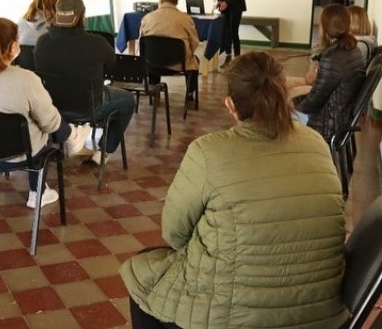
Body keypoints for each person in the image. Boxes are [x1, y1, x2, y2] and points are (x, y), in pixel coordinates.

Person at [120, 52, 347, 329]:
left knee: (141, 277)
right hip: (320, 313)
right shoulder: (317, 143)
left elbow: (174, 234)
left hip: (235, 317)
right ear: (283, 94)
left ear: (231, 105)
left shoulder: (207, 151)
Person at [0, 17, 90, 208]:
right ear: (13, 47)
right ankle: (38, 192)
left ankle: (72, 136)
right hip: (18, 155)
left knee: (28, 120)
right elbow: (49, 123)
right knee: (41, 123)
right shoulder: (27, 79)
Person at [34, 0, 135, 165]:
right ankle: (104, 151)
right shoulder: (97, 43)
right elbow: (111, 66)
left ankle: (72, 134)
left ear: (57, 15)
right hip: (90, 107)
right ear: (82, 16)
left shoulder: (42, 42)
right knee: (128, 100)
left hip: (53, 107)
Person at [294, 4, 365, 138]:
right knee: (290, 96)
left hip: (327, 123)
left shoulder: (332, 59)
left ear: (325, 27)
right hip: (340, 115)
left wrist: (294, 108)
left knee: (281, 112)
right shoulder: (353, 49)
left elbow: (314, 101)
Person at [139, 0, 200, 73]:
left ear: (160, 1)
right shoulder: (186, 19)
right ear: (176, 3)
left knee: (153, 55)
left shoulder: (147, 18)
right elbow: (194, 43)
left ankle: (153, 85)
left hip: (151, 62)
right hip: (178, 63)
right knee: (193, 61)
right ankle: (191, 86)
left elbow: (141, 41)